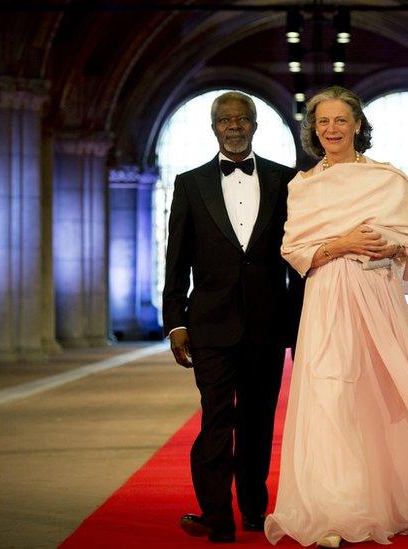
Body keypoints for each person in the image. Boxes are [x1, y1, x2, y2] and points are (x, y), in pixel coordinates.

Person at [265, 86, 408, 548]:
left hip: (377, 296)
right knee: (330, 393)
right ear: (313, 129)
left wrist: (392, 245)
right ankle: (332, 509)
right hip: (325, 297)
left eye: (341, 120)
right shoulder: (303, 186)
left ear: (358, 125)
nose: (331, 129)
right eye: (323, 122)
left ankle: (390, 500)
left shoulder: (389, 179)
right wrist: (341, 244)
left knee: (382, 394)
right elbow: (293, 249)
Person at [162, 91, 301, 544]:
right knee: (216, 419)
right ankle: (216, 515)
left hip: (266, 325)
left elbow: (295, 258)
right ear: (214, 127)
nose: (234, 126)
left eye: (243, 119)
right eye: (226, 119)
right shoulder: (189, 183)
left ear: (255, 126)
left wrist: (302, 323)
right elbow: (176, 259)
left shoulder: (286, 180)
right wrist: (175, 320)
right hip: (210, 326)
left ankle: (255, 509)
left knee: (259, 422)